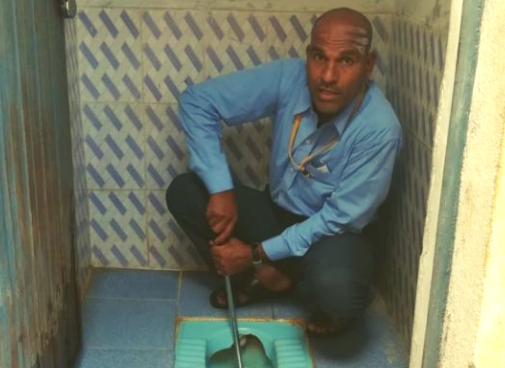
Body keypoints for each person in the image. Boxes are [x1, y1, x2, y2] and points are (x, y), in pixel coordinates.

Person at [166, 7, 403, 336]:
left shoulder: (379, 128)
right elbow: (197, 102)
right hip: (277, 213)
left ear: (368, 64)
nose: (327, 76)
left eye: (346, 60)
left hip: (333, 235)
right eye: (319, 57)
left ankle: (280, 275)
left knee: (339, 292)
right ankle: (273, 276)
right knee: (185, 192)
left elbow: (339, 219)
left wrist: (253, 254)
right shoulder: (290, 78)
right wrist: (221, 188)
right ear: (308, 55)